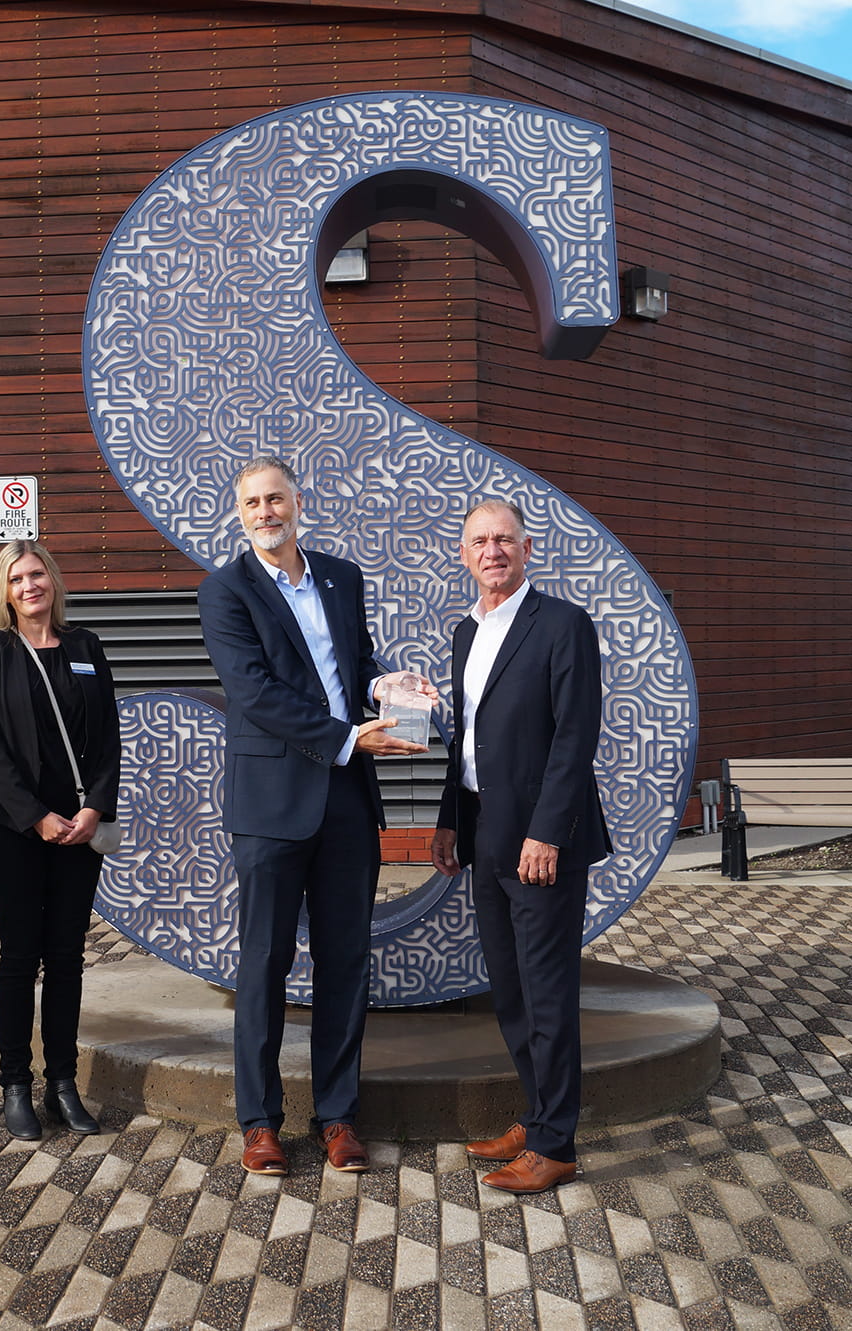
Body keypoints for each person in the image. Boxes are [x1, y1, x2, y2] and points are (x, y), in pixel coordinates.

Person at [197, 456, 434, 1177]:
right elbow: (255, 692)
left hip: (347, 802)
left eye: (275, 498)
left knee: (344, 961)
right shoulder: (225, 590)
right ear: (239, 513)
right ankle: (260, 1121)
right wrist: (347, 736)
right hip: (271, 804)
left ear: (299, 501)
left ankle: (337, 1115)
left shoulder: (340, 575)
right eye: (252, 502)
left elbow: (351, 664)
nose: (266, 511)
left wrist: (384, 684)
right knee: (264, 961)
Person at [430, 498, 611, 1194]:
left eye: (504, 539)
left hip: (541, 839)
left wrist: (546, 831)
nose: (492, 550)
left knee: (547, 991)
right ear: (464, 553)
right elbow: (466, 741)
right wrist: (449, 818)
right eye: (479, 540)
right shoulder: (464, 632)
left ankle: (557, 1143)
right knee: (508, 986)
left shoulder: (563, 624)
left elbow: (575, 737)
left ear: (527, 549)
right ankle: (536, 1118)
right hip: (482, 830)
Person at [0, 541, 120, 1141]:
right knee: (19, 956)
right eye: (17, 578)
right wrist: (36, 817)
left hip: (80, 828)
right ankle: (15, 1086)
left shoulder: (85, 647)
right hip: (14, 831)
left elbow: (107, 737)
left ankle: (63, 1084)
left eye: (38, 575)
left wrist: (93, 806)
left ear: (53, 580)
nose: (30, 586)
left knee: (68, 957)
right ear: (4, 592)